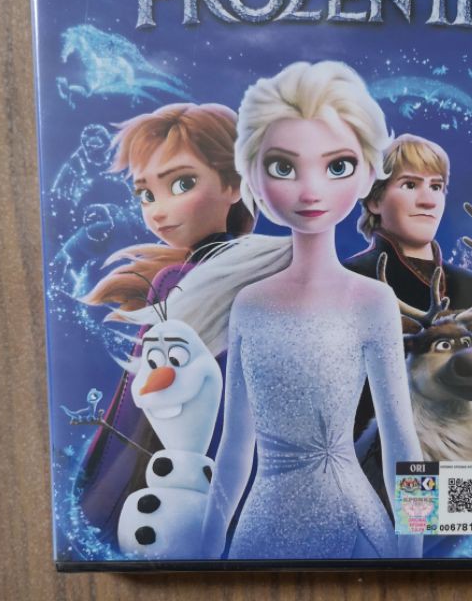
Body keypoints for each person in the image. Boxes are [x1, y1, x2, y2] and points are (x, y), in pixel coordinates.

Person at [125, 61, 423, 560]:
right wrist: (209, 548)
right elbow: (235, 446)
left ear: (368, 174)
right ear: (253, 180)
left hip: (356, 525)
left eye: (338, 166)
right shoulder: (250, 303)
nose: (310, 191)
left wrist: (413, 552)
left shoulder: (373, 301)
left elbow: (401, 441)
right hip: (262, 525)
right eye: (283, 167)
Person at [79, 102, 254, 542]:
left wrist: (98, 489)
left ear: (234, 184)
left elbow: (133, 409)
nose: (157, 211)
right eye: (146, 194)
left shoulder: (182, 279)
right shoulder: (184, 277)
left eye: (182, 183)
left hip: (181, 461)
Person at [344, 133, 472, 437]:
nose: (428, 200)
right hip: (367, 454)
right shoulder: (344, 281)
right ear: (374, 200)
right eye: (410, 185)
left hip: (459, 451)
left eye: (436, 186)